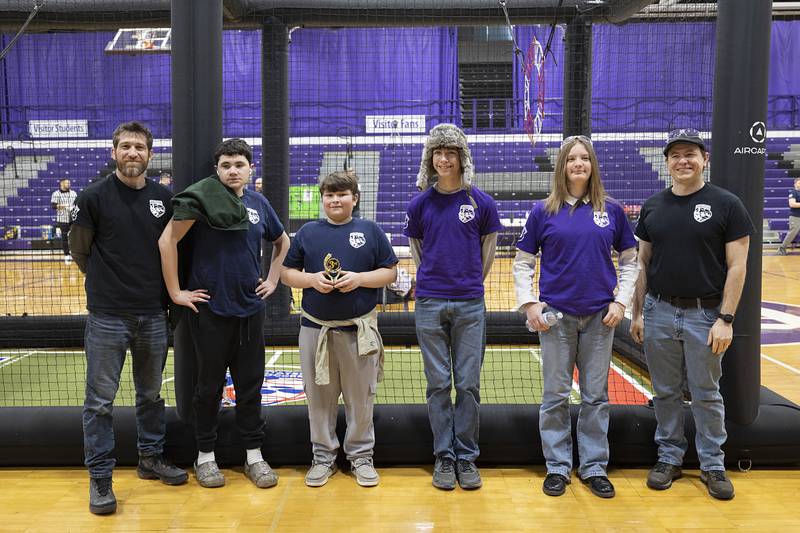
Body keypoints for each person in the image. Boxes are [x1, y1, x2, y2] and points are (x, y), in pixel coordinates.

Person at [69, 121, 187, 515]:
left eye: (140, 147)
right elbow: (80, 253)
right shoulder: (93, 197)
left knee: (150, 395)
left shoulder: (163, 199)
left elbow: (171, 250)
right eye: (126, 147)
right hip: (107, 317)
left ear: (150, 155)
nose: (133, 153)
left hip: (154, 315)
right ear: (114, 152)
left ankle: (150, 458)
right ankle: (100, 477)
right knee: (99, 402)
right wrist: (110, 284)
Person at [158, 138, 290, 489]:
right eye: (226, 165)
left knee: (250, 387)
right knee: (208, 388)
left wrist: (273, 279)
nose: (233, 171)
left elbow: (282, 242)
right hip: (211, 311)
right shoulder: (203, 200)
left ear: (250, 169)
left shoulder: (259, 203)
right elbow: (166, 241)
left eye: (239, 165)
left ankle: (254, 457)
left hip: (250, 310)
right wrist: (176, 292)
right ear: (217, 170)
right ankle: (205, 458)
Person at [630, 128, 753, 501]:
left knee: (706, 393)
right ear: (667, 162)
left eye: (690, 154)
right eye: (676, 155)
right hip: (659, 311)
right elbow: (642, 264)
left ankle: (712, 465)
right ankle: (669, 458)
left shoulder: (727, 204)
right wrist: (637, 314)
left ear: (705, 159)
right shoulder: (653, 206)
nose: (683, 161)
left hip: (706, 315)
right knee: (665, 392)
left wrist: (726, 319)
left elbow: (737, 267)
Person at [513, 135, 638, 499]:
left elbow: (630, 263)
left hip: (601, 317)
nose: (579, 164)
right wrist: (529, 304)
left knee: (596, 396)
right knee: (554, 395)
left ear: (592, 165)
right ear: (562, 166)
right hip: (555, 318)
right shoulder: (543, 211)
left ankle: (594, 466)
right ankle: (557, 467)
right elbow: (523, 264)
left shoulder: (611, 211)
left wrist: (622, 303)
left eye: (585, 158)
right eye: (572, 159)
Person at [280, 171, 398, 488]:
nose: (335, 200)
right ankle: (323, 458)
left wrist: (359, 279)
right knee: (319, 399)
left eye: (342, 194)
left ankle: (361, 457)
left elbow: (389, 273)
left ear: (354, 199)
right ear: (323, 200)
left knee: (361, 399)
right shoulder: (307, 232)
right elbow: (287, 273)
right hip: (314, 331)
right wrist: (311, 280)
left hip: (359, 331)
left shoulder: (370, 230)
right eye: (329, 195)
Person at [403, 123, 503, 490]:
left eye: (450, 153)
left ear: (462, 158)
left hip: (469, 305)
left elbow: (487, 253)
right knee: (437, 384)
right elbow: (417, 252)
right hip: (429, 303)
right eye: (438, 153)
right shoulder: (419, 204)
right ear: (430, 158)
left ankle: (467, 457)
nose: (443, 159)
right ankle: (444, 457)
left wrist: (466, 281)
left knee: (469, 384)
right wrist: (436, 279)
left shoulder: (482, 203)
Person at [51, 178, 77, 264]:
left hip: (73, 218)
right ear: (61, 184)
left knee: (75, 237)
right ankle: (67, 255)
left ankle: (76, 254)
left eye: (69, 183)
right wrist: (65, 206)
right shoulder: (56, 194)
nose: (69, 184)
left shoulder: (73, 193)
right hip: (62, 219)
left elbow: (77, 204)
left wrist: (74, 208)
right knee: (64, 238)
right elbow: (54, 206)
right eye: (67, 183)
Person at [778, 177, 800, 255]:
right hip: (796, 217)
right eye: (799, 183)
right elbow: (792, 204)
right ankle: (782, 248)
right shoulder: (793, 192)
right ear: (795, 184)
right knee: (792, 233)